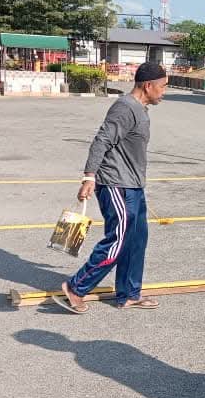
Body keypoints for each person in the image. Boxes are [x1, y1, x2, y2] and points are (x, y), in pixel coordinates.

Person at [55, 62, 168, 314]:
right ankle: (76, 287)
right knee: (118, 240)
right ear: (147, 86)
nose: (164, 92)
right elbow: (101, 140)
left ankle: (128, 294)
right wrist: (89, 177)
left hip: (133, 186)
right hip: (115, 184)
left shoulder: (140, 109)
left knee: (137, 240)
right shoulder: (125, 108)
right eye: (162, 87)